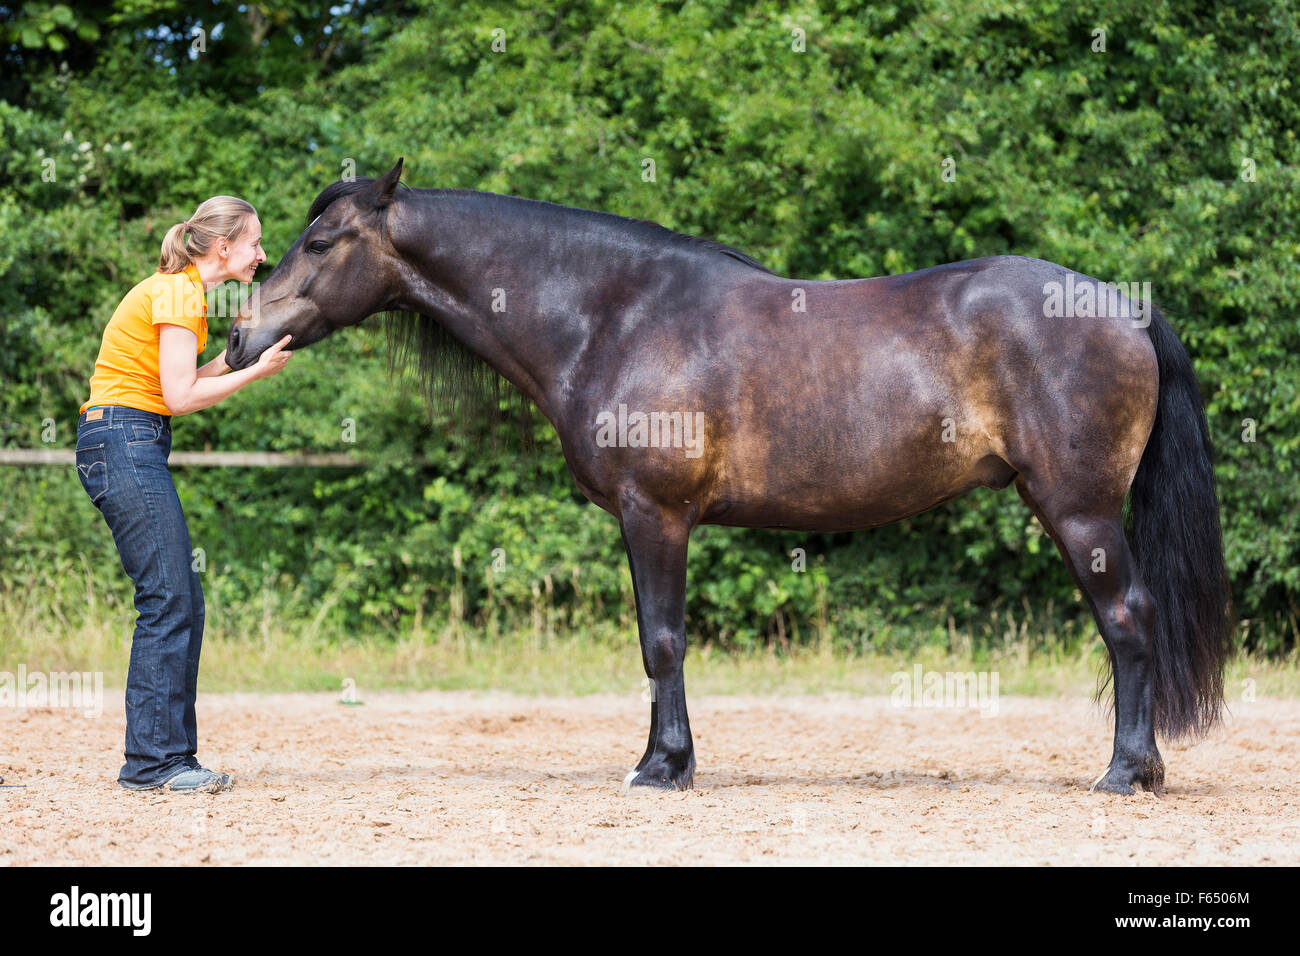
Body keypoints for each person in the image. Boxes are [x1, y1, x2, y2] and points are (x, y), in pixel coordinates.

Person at [75, 196, 293, 793]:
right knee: (169, 598)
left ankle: (169, 759)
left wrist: (243, 351)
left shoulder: (181, 294)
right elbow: (179, 399)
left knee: (180, 599)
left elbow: (188, 378)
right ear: (223, 247)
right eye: (254, 243)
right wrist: (255, 374)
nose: (262, 255)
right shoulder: (179, 293)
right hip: (123, 439)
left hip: (126, 438)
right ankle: (154, 764)